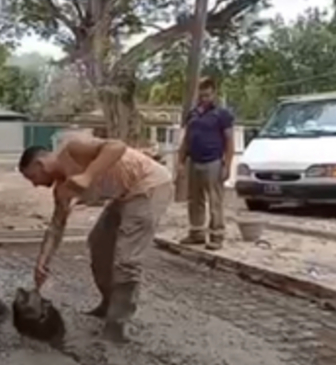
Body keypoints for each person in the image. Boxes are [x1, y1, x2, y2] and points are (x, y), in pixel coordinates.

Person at [17, 134, 173, 342]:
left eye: (32, 177)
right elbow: (56, 226)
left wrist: (88, 175)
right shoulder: (62, 189)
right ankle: (108, 303)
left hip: (150, 185)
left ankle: (117, 325)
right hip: (124, 194)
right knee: (99, 243)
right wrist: (42, 261)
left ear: (40, 164)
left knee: (126, 260)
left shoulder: (72, 149)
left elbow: (117, 146)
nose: (35, 185)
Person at [177, 77, 235, 251]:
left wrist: (227, 165)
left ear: (214, 94)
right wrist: (180, 162)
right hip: (194, 160)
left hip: (213, 161)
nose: (204, 99)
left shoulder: (222, 114)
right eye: (202, 95)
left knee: (215, 200)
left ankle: (217, 235)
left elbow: (229, 141)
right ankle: (196, 233)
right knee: (194, 199)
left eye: (208, 95)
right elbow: (186, 140)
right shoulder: (193, 114)